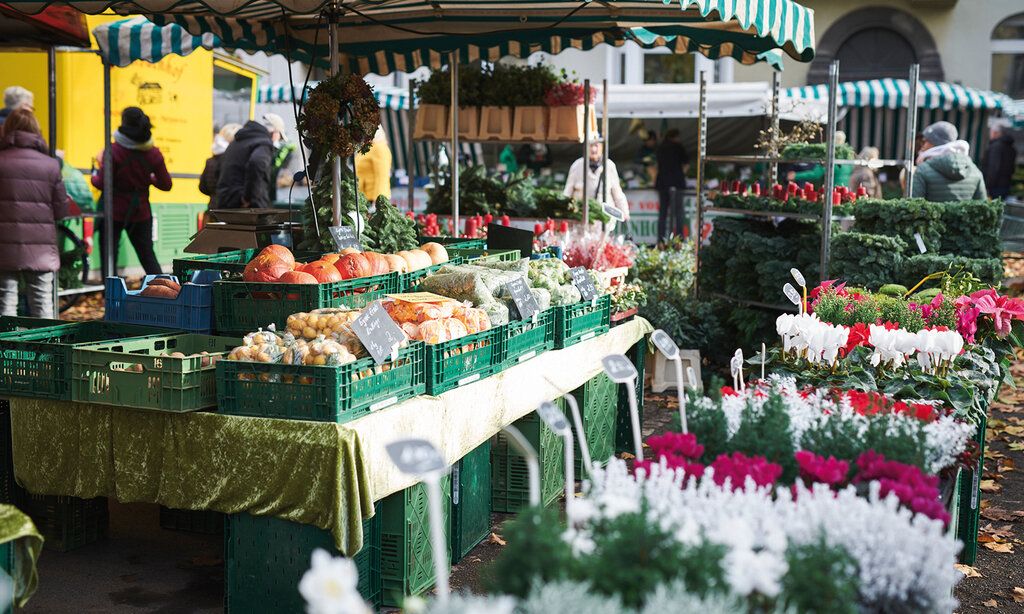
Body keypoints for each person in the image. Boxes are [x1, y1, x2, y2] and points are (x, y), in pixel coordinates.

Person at [0, 108, 68, 318]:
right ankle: (46, 341)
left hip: (4, 245)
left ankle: (6, 340)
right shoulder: (51, 165)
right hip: (41, 248)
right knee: (42, 304)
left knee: (5, 304)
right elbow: (61, 211)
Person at [91, 106, 172, 276]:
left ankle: (111, 291)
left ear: (123, 123)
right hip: (140, 212)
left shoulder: (113, 151)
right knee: (147, 256)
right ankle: (163, 288)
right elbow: (166, 185)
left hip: (113, 213)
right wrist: (148, 179)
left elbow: (101, 183)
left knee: (109, 257)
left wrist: (94, 173)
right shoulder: (153, 153)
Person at [216, 113, 283, 209]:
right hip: (246, 206)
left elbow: (219, 168)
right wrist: (247, 197)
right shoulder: (264, 143)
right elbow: (257, 163)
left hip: (226, 201)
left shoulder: (237, 142)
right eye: (280, 137)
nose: (278, 140)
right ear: (275, 133)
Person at [911, 121, 986, 202]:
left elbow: (915, 206)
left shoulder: (922, 170)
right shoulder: (974, 170)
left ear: (934, 143)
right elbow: (982, 206)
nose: (922, 146)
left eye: (925, 141)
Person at [563, 136, 629, 222]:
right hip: (581, 216)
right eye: (590, 146)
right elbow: (568, 191)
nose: (593, 149)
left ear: (602, 147)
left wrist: (625, 212)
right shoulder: (577, 165)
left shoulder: (609, 165)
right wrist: (563, 210)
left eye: (596, 146)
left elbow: (617, 193)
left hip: (604, 218)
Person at [655, 129, 688, 242]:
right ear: (675, 137)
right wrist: (680, 173)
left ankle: (661, 240)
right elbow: (686, 164)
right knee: (678, 213)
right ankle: (679, 241)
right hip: (677, 183)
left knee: (663, 213)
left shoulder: (660, 147)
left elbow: (656, 165)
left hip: (663, 183)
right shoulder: (679, 147)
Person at [199, 123, 241, 209]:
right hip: (230, 208)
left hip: (213, 207)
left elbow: (202, 187)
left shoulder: (210, 161)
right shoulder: (233, 160)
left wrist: (214, 195)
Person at [355, 127, 392, 201]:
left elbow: (382, 175)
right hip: (364, 197)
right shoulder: (366, 147)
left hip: (373, 198)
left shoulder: (379, 148)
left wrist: (378, 200)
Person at [983, 120, 1017, 199]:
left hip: (995, 186)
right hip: (1005, 184)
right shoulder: (1011, 148)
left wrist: (987, 185)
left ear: (995, 133)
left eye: (991, 132)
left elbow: (993, 168)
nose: (990, 134)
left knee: (994, 205)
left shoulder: (996, 147)